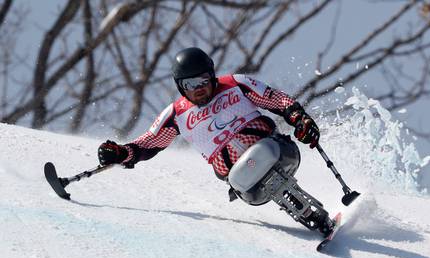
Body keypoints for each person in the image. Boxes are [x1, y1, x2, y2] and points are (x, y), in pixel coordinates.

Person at [97, 47, 330, 234]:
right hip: (243, 179)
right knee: (238, 165)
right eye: (190, 85)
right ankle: (306, 213)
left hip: (276, 150)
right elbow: (149, 142)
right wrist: (120, 152)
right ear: (180, 87)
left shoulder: (235, 84)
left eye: (202, 80)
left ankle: (313, 214)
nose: (198, 89)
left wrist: (300, 119)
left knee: (259, 147)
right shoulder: (177, 115)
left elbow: (276, 100)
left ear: (212, 75)